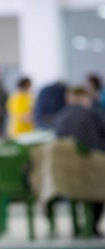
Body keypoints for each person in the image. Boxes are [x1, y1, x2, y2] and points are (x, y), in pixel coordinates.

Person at [53, 85, 105, 236]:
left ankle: (77, 227)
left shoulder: (60, 117)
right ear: (85, 98)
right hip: (93, 168)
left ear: (69, 98)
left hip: (68, 172)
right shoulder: (93, 113)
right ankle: (93, 226)